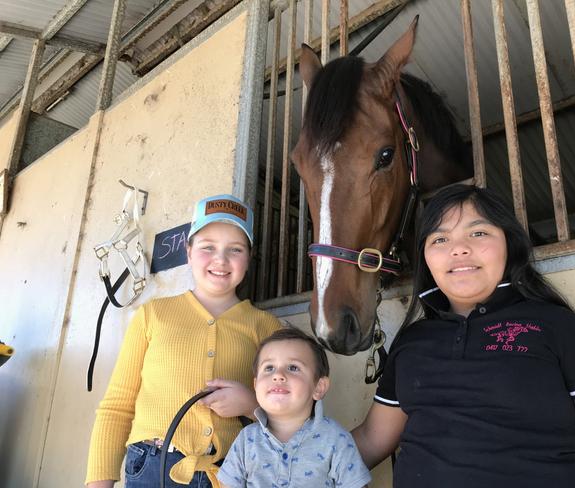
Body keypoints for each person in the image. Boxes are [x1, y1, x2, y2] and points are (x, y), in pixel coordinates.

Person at [352, 184, 575, 487]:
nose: (458, 248)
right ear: (426, 258)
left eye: (478, 233)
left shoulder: (558, 326)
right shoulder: (411, 341)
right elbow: (371, 440)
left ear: (510, 243)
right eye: (440, 238)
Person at [86, 194, 282, 488]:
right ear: (188, 252)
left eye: (235, 249)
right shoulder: (153, 314)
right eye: (207, 247)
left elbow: (290, 414)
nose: (221, 259)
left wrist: (251, 404)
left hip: (232, 471)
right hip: (152, 466)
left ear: (248, 259)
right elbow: (117, 406)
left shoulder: (267, 328)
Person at [217, 327, 371, 488]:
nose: (278, 375)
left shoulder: (336, 438)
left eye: (293, 367)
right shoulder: (246, 439)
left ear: (319, 387)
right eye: (269, 368)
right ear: (255, 385)